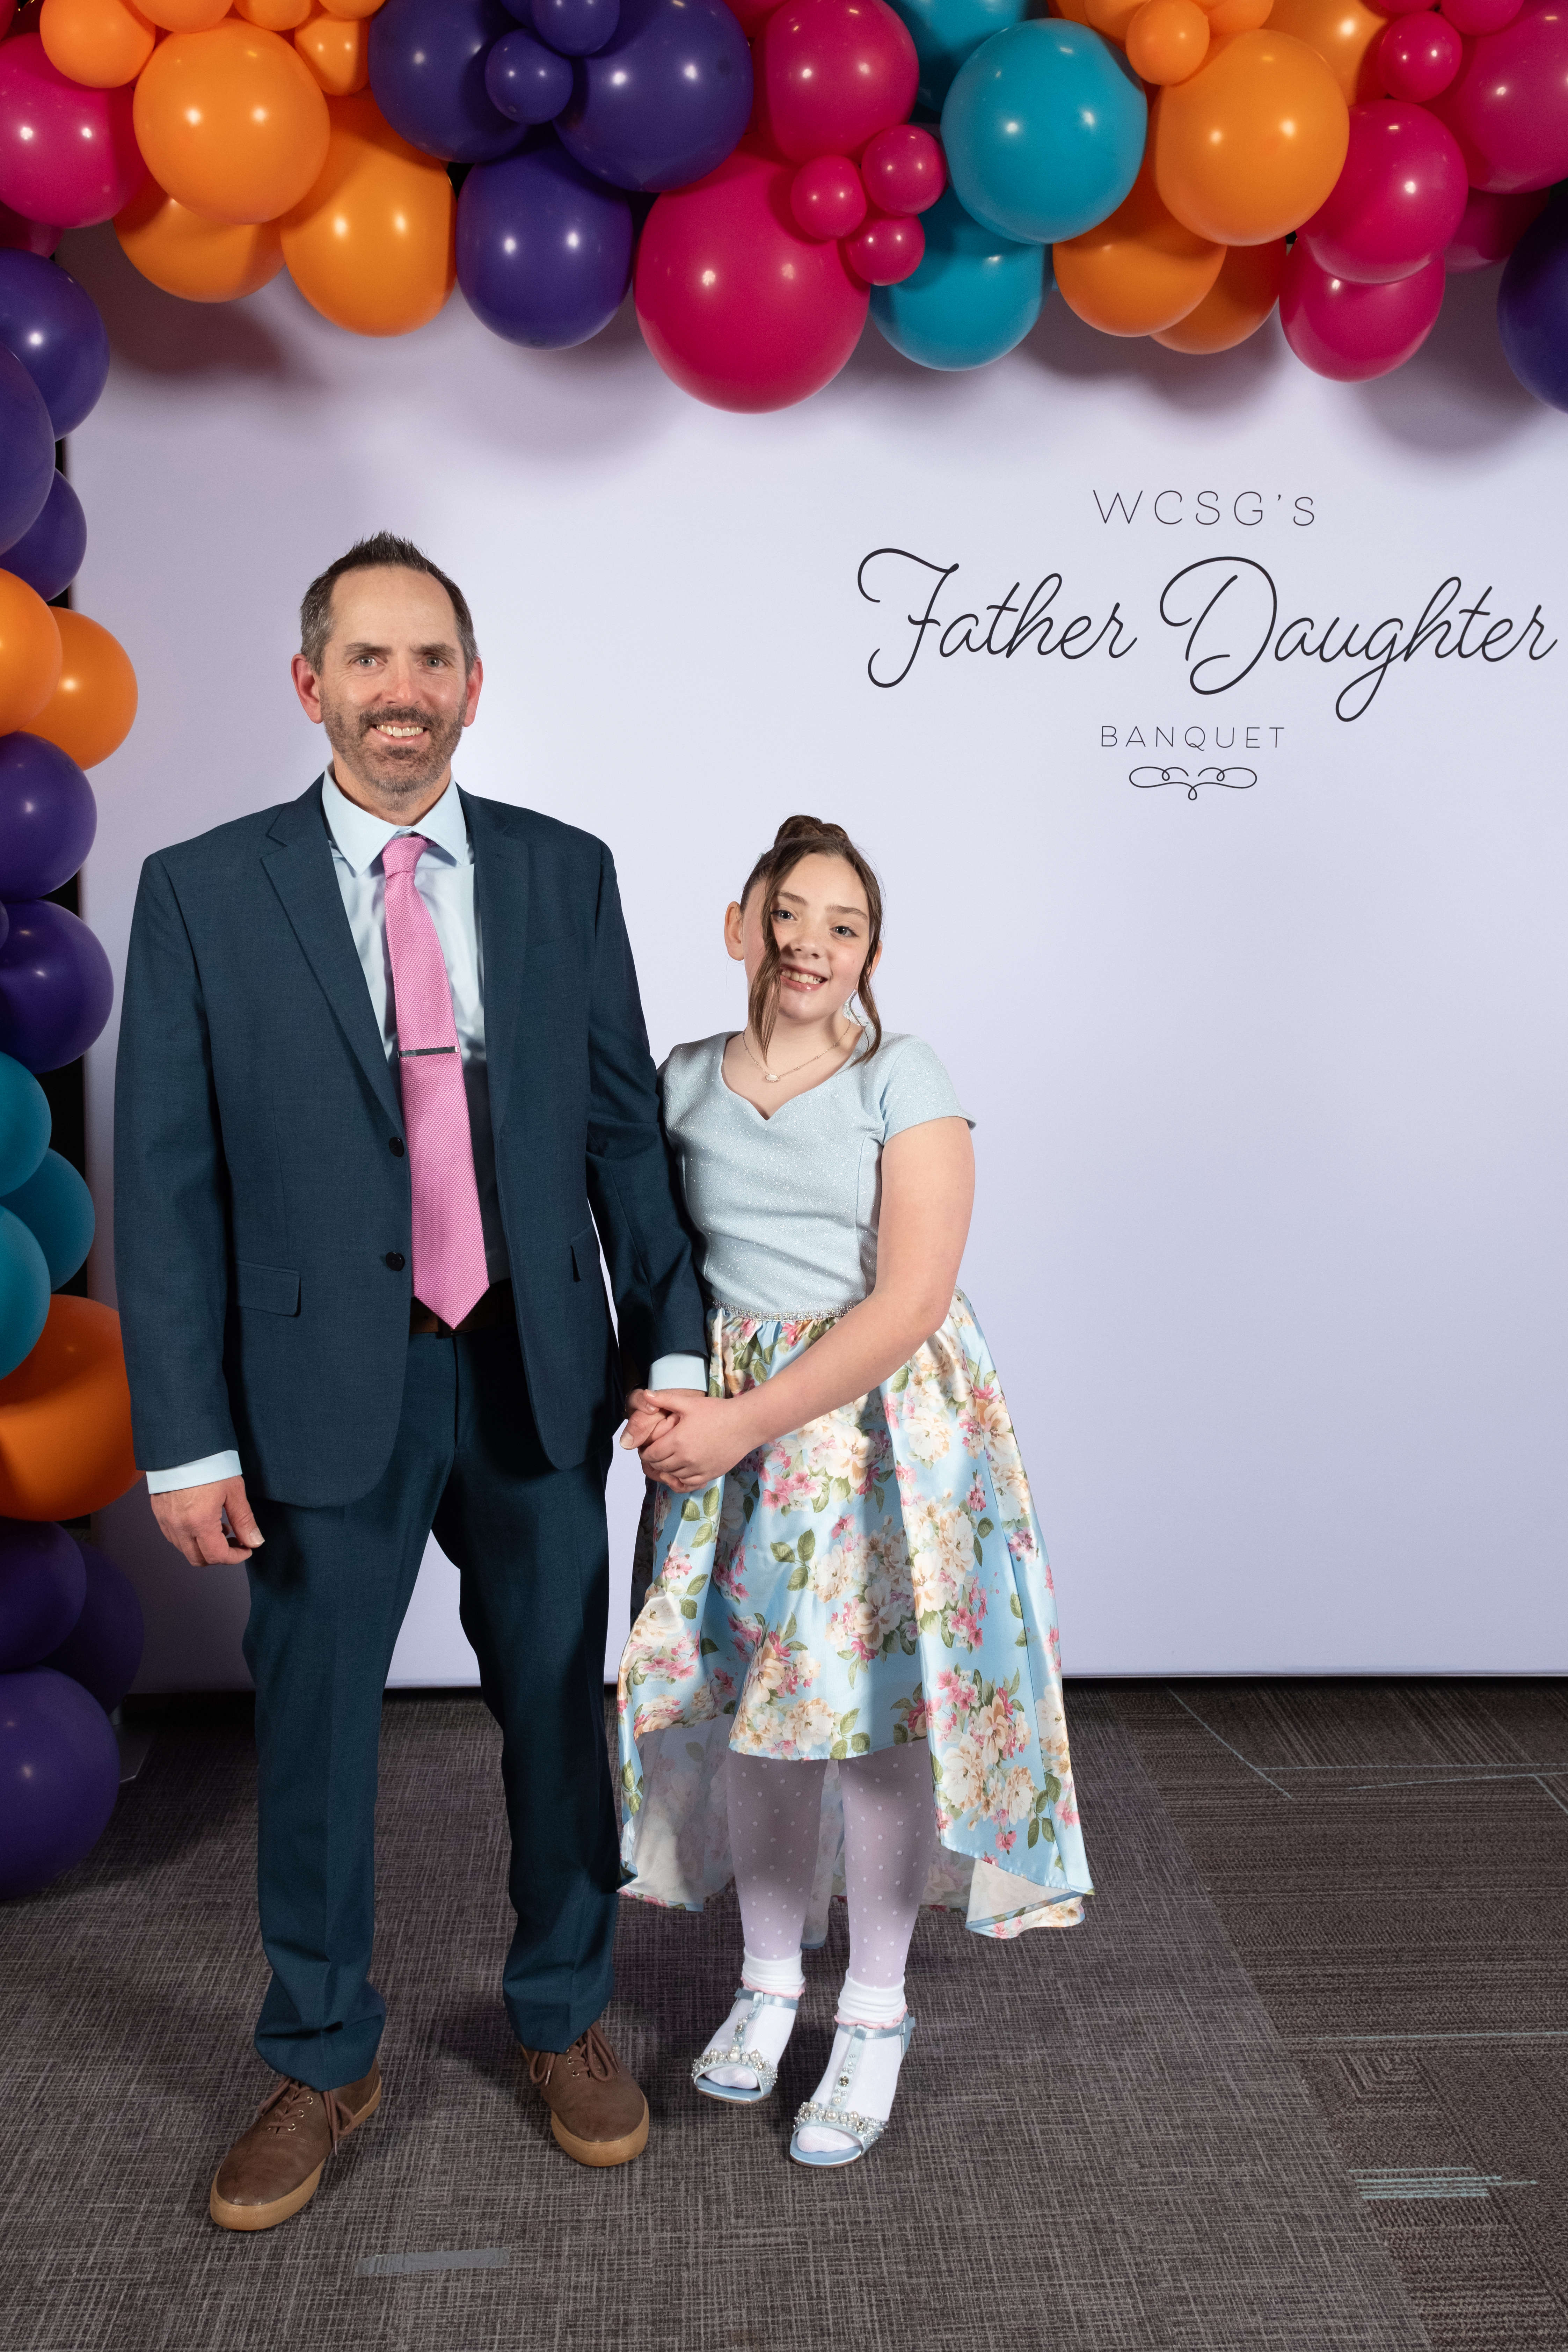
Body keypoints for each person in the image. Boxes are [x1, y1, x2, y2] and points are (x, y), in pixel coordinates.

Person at [114, 533, 708, 2228]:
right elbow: (165, 1181)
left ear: (472, 685)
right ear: (310, 684)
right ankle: (319, 2055)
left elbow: (620, 1133)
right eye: (368, 660)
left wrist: (670, 1345)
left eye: (430, 659)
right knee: (312, 1733)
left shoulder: (561, 873)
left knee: (557, 1712)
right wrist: (185, 1438)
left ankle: (565, 2014)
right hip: (313, 1393)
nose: (402, 692)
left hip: (535, 1371)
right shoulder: (200, 890)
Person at [614, 815, 1094, 2169]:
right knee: (764, 1707)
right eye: (788, 914)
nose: (812, 944)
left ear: (870, 952)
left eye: (844, 925)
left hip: (877, 1427)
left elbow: (910, 1299)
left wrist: (740, 1421)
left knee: (879, 1717)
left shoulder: (902, 1074)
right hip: (734, 1429)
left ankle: (874, 2009)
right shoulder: (681, 1079)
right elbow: (653, 1257)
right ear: (739, 925)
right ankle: (769, 1980)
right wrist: (667, 1397)